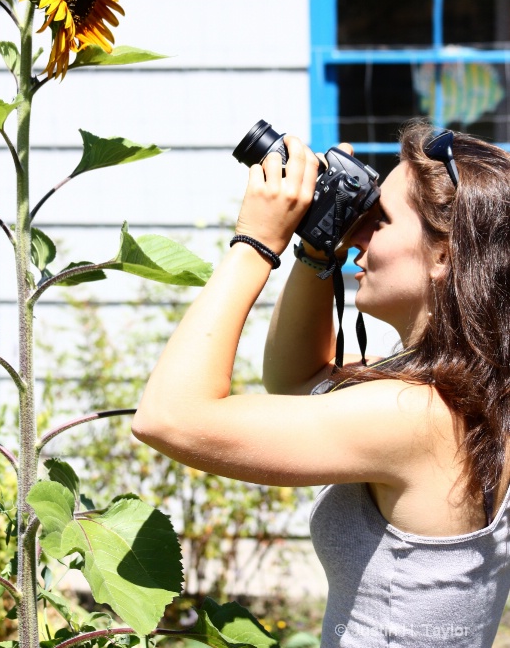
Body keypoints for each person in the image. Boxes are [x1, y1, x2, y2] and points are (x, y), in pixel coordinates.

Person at [132, 120, 510, 647]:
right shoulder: (471, 391)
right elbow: (296, 379)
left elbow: (167, 418)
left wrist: (256, 243)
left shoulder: (418, 416)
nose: (358, 232)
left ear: (443, 255)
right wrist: (317, 248)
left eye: (377, 219)